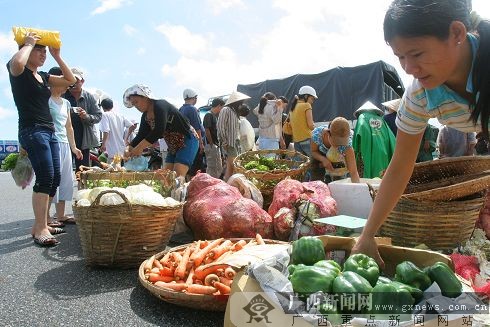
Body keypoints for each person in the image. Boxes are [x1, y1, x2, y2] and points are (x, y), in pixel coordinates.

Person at [352, 0, 490, 266]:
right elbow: (400, 165)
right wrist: (367, 235)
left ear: (457, 34)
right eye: (400, 56)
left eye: (416, 54)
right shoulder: (419, 95)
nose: (407, 68)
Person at [7, 32, 76, 246]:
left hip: (49, 132)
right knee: (46, 176)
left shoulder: (44, 76)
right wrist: (27, 44)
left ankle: (43, 222)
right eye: (40, 50)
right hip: (32, 130)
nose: (43, 54)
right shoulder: (18, 69)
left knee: (54, 177)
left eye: (44, 51)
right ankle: (40, 229)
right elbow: (17, 64)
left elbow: (70, 80)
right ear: (26, 50)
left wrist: (57, 56)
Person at [122, 84, 199, 179]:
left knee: (177, 176)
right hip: (173, 146)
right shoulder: (145, 117)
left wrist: (139, 148)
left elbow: (159, 130)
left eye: (136, 102)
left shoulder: (160, 105)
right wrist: (129, 148)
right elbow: (141, 135)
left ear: (146, 97)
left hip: (187, 139)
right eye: (133, 104)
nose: (136, 107)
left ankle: (181, 193)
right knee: (166, 177)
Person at [47, 67, 83, 226]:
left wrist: (74, 147)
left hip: (64, 144)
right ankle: (45, 217)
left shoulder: (67, 102)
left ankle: (60, 215)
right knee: (50, 179)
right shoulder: (45, 99)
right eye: (65, 83)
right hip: (50, 142)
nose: (67, 87)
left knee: (66, 180)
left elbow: (69, 127)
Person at [63, 68, 102, 172]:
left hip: (83, 140)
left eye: (77, 80)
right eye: (71, 79)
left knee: (83, 171)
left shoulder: (88, 97)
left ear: (82, 81)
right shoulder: (62, 94)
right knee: (63, 170)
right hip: (64, 138)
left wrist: (86, 116)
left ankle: (82, 188)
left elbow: (98, 116)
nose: (74, 83)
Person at [352, 101, 396, 178]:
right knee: (381, 179)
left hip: (366, 153)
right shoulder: (381, 120)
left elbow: (357, 137)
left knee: (366, 181)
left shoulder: (362, 117)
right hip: (383, 155)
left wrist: (355, 153)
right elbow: (392, 139)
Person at [310, 117, 360, 183]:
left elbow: (353, 172)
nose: (338, 146)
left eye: (341, 144)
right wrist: (323, 159)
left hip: (338, 162)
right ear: (328, 134)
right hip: (320, 157)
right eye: (336, 142)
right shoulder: (317, 135)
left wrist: (357, 190)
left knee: (339, 183)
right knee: (316, 182)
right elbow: (313, 151)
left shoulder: (347, 146)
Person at [217, 91, 251, 181]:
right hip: (230, 143)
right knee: (233, 166)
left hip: (235, 143)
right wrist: (224, 141)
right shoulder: (226, 110)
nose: (242, 104)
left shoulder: (234, 112)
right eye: (241, 102)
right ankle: (230, 186)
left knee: (231, 167)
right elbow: (220, 127)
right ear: (237, 102)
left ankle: (229, 186)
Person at [99, 98, 136, 163]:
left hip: (112, 151)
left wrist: (103, 144)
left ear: (102, 107)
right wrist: (126, 138)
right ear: (112, 106)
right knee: (121, 170)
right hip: (121, 149)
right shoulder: (120, 115)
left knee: (113, 171)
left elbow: (106, 131)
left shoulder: (105, 115)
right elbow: (132, 126)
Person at [180, 88, 205, 178]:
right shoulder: (192, 109)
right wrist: (201, 143)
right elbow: (197, 128)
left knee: (189, 168)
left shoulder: (181, 109)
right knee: (196, 168)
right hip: (194, 142)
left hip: (185, 143)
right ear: (194, 98)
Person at [289, 85, 317, 158]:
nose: (312, 101)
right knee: (313, 163)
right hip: (306, 139)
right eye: (312, 99)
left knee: (302, 165)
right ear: (306, 96)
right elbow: (311, 126)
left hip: (296, 142)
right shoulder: (306, 105)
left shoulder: (293, 108)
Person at [203, 97, 225, 178]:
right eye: (222, 107)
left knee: (218, 167)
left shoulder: (214, 115)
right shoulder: (208, 114)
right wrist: (211, 144)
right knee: (212, 167)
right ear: (219, 106)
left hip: (215, 145)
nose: (222, 110)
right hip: (211, 145)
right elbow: (207, 129)